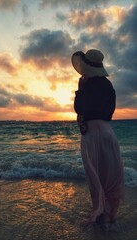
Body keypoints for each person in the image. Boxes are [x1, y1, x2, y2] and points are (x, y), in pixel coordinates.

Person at [71, 49, 124, 230]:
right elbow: (110, 111)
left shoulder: (86, 86)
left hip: (91, 135)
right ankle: (110, 215)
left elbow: (79, 109)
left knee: (95, 176)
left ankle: (97, 211)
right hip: (108, 133)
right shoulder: (109, 86)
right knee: (110, 174)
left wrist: (80, 89)